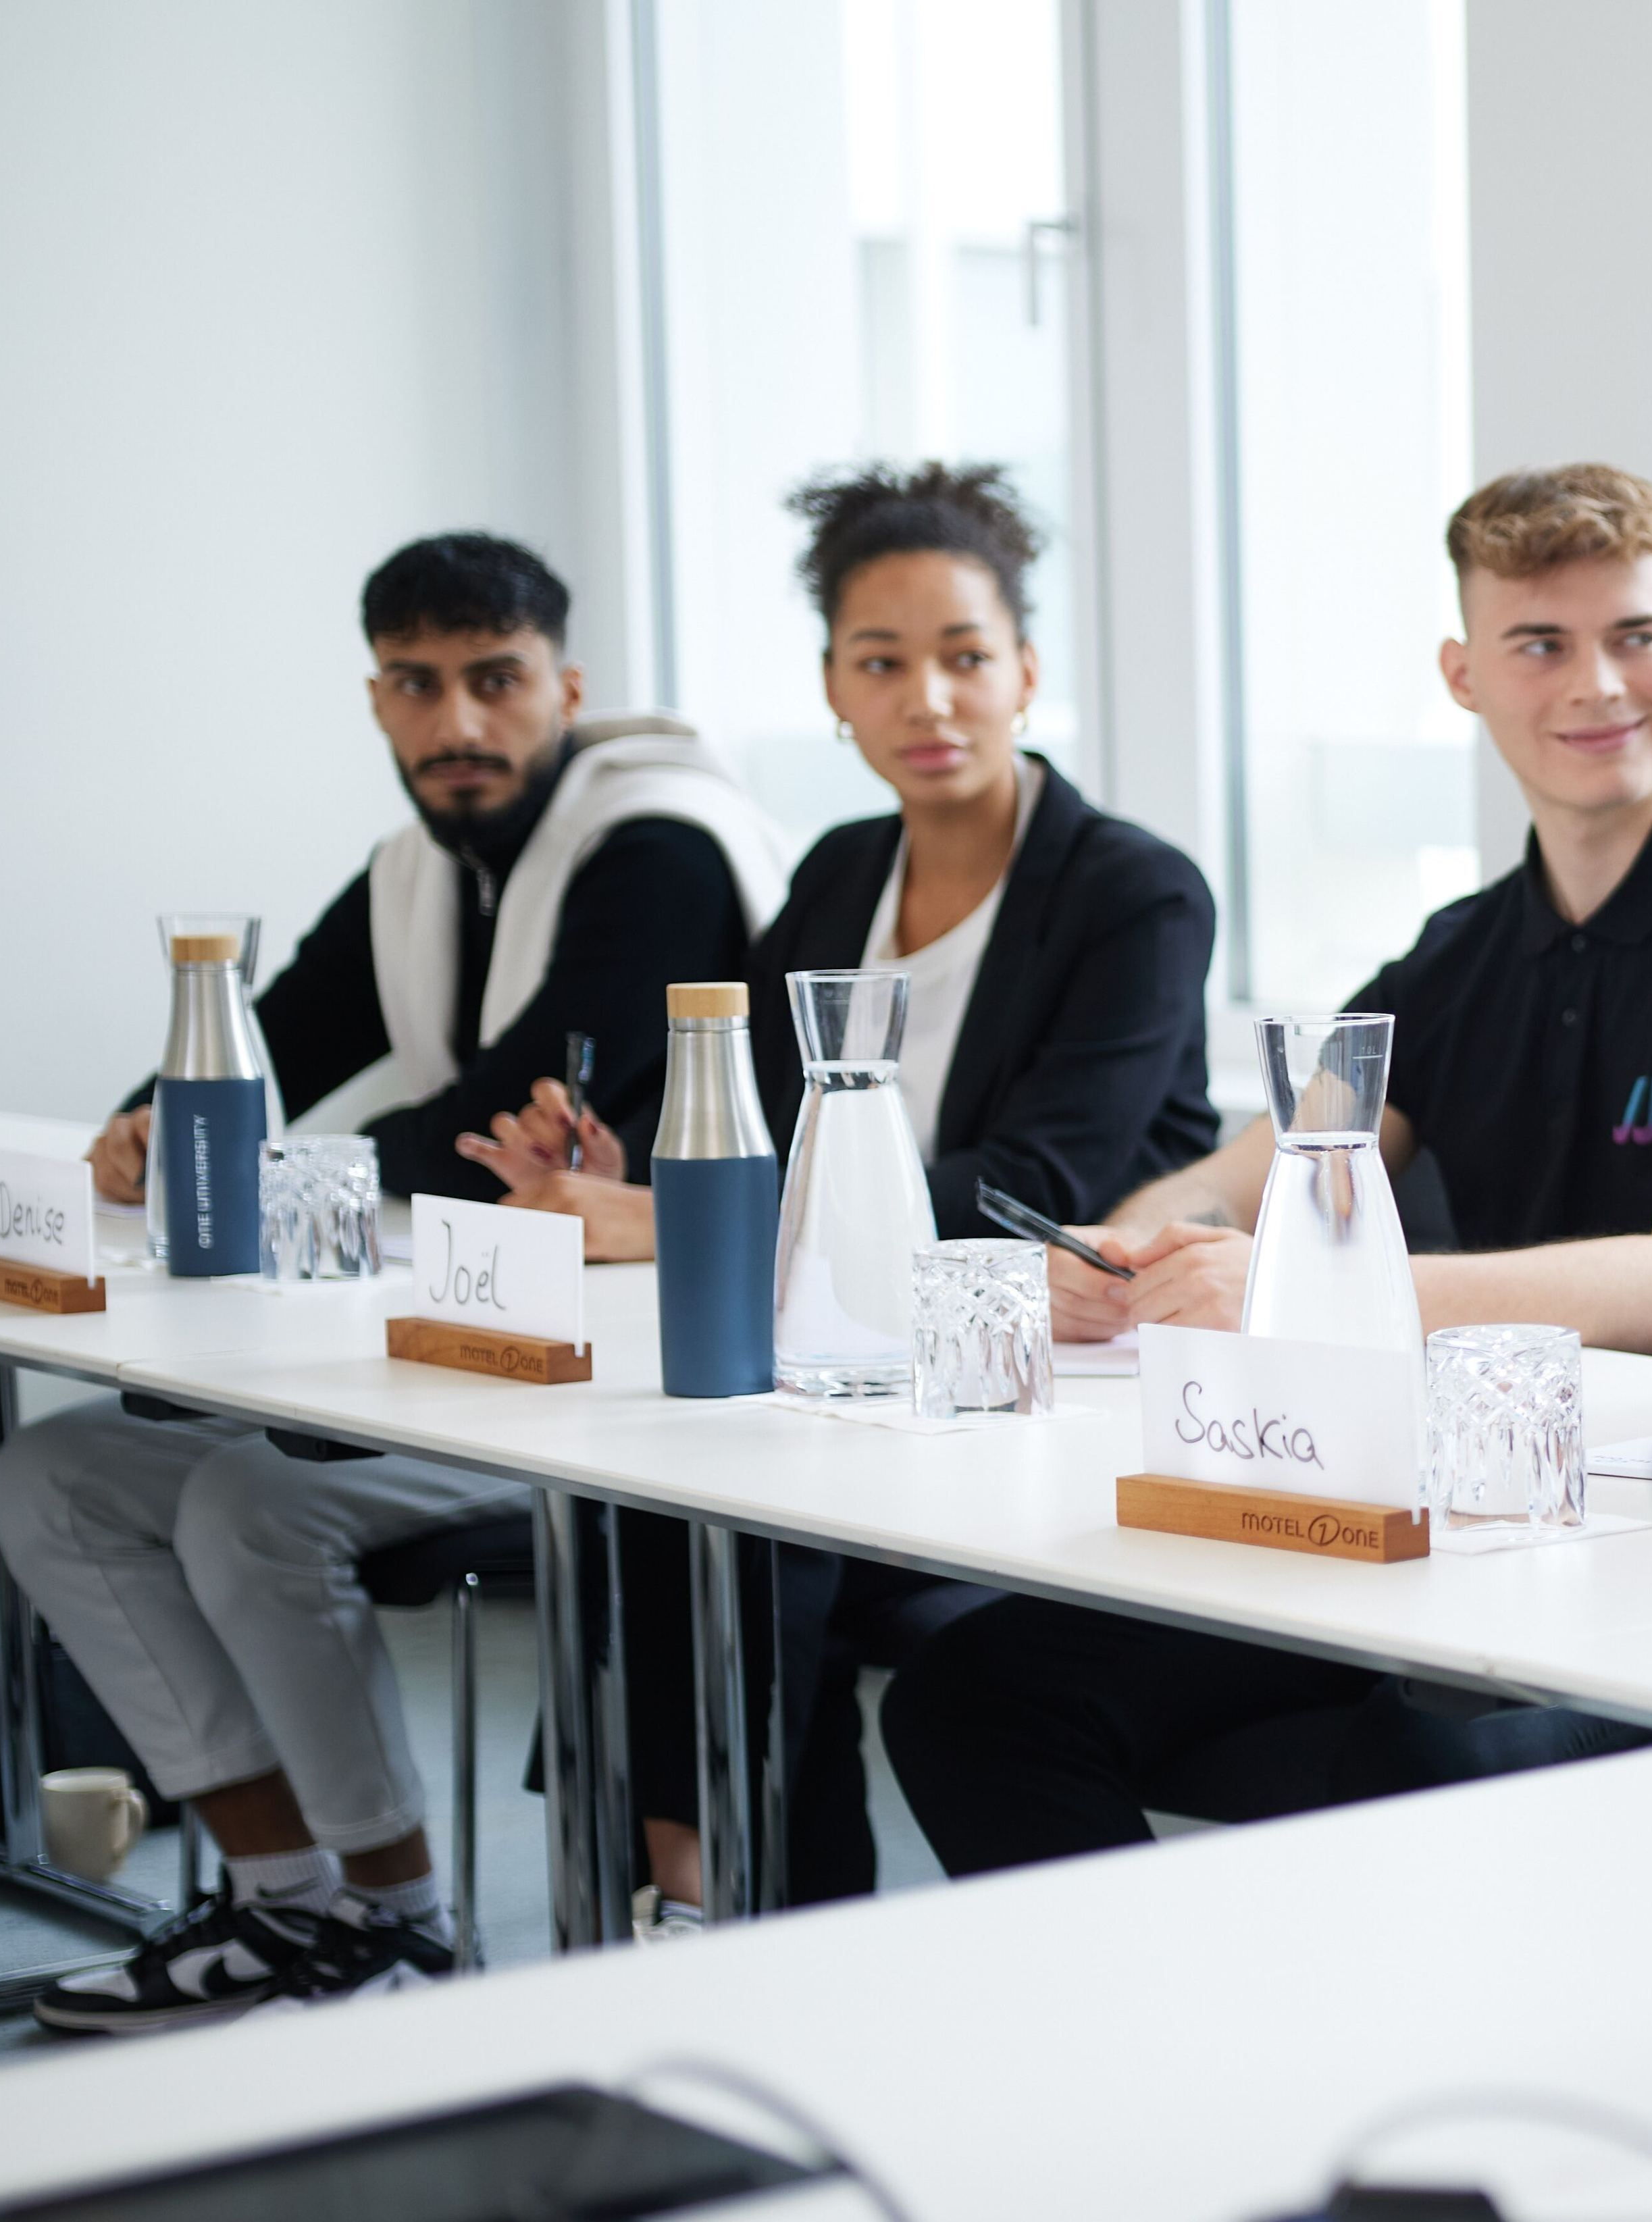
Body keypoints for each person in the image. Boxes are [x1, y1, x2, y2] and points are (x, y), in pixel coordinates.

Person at [877, 461, 1652, 1873]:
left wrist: (1299, 1289)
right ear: (1463, 675)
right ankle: (1161, 2012)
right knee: (975, 1697)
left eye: (1635, 636)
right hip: (1460, 1529)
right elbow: (1249, 1175)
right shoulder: (1459, 952)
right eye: (1540, 643)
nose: (1598, 683)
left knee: (1421, 1769)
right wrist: (1126, 1250)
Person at [5, 534, 783, 2029]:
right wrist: (142, 1130)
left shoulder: (661, 851)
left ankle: (397, 1925)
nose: (458, 724)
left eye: (496, 681)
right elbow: (274, 1040)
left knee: (246, 1504)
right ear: (376, 700)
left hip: (633, 1392)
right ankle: (293, 1903)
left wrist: (262, 1158)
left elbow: (480, 1136)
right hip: (455, 1345)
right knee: (53, 1475)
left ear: (567, 687)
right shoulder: (419, 870)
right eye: (417, 687)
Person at [472, 463, 1221, 1925]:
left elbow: (1030, 1188)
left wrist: (680, 1226)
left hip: (1052, 1382)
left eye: (964, 656)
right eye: (881, 663)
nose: (926, 699)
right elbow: (763, 1123)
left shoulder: (1132, 891)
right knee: (670, 1490)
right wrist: (638, 1171)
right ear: (832, 688)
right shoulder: (836, 877)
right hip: (852, 1380)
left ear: (1026, 672)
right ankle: (709, 1891)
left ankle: (716, 1904)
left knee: (738, 1513)